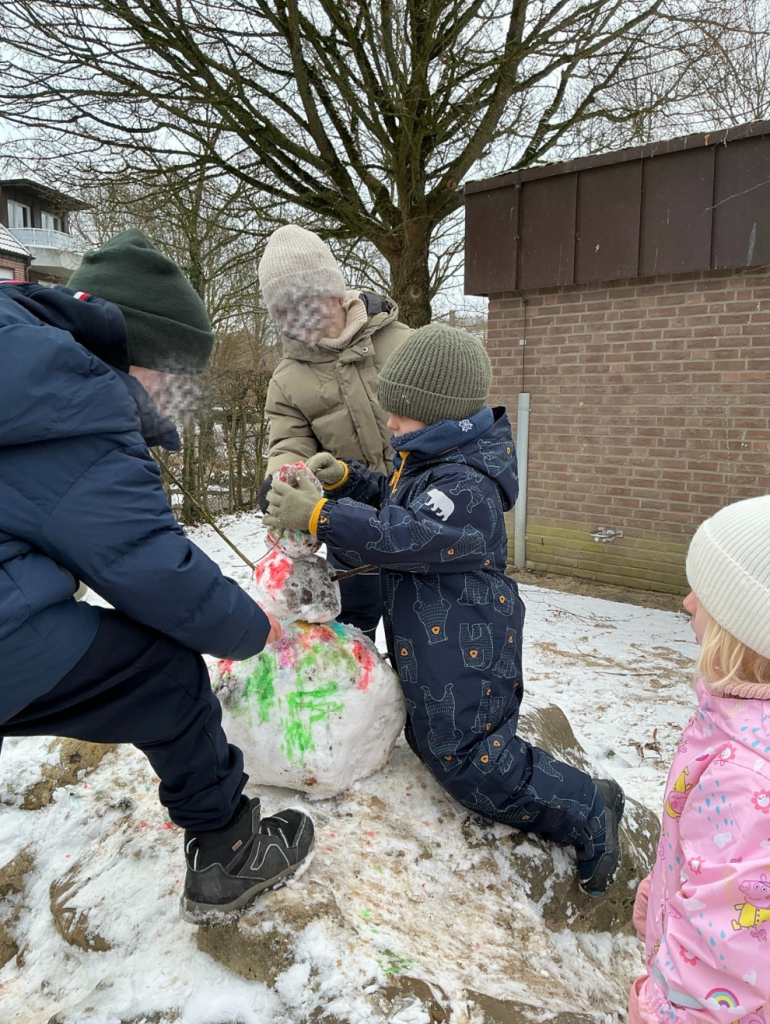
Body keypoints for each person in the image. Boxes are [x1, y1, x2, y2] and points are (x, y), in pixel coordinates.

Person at [0, 229, 314, 924]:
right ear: (138, 352)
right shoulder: (74, 393)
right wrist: (246, 626)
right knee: (165, 674)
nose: (174, 398)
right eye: (174, 379)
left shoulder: (19, 348)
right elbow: (147, 568)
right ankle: (229, 850)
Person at [265, 323, 624, 894]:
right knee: (438, 741)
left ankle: (586, 808)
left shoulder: (469, 482)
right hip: (437, 637)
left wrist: (321, 517)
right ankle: (563, 794)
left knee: (471, 760)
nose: (389, 424)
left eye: (401, 415)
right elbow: (403, 503)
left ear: (438, 415)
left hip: (467, 641)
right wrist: (353, 484)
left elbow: (408, 534)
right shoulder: (436, 461)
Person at [628, 495, 770, 1024]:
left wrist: (654, 1013)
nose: (687, 602)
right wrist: (668, 885)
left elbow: (725, 969)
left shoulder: (745, 772)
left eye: (706, 594)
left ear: (750, 632)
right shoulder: (739, 724)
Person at [257, 224, 411, 641]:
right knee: (348, 643)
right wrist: (283, 480)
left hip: (419, 520)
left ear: (334, 292)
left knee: (421, 645)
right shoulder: (288, 378)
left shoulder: (402, 343)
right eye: (284, 313)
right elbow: (289, 442)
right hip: (350, 531)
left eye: (307, 306)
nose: (298, 322)